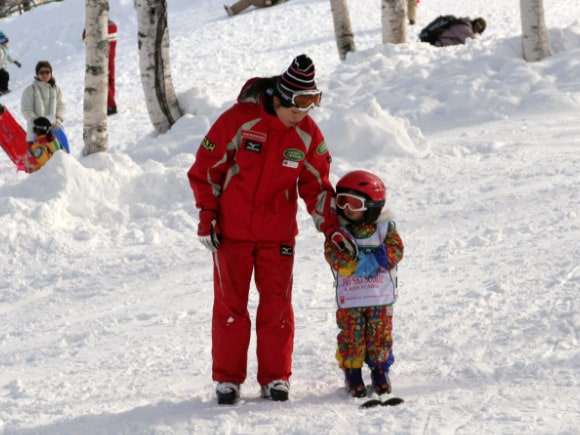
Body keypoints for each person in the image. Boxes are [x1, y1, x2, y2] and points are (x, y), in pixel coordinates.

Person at [187, 54, 357, 405]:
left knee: (276, 305)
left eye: (308, 108)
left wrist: (332, 228)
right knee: (231, 305)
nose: (301, 116)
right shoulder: (239, 121)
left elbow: (318, 186)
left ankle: (276, 377)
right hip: (231, 232)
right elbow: (206, 169)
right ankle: (228, 379)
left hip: (277, 235)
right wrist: (208, 216)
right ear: (278, 98)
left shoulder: (307, 135)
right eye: (295, 108)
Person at [323, 170, 404, 398]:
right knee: (352, 335)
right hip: (352, 300)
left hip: (379, 297)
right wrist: (352, 264)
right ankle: (353, 374)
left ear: (372, 205)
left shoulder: (384, 228)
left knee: (380, 334)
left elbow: (396, 249)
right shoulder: (339, 231)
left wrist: (379, 259)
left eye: (354, 204)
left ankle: (380, 372)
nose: (347, 209)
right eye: (342, 202)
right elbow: (332, 253)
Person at [21, 61, 68, 152]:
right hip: (36, 132)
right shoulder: (30, 90)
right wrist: (37, 122)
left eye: (47, 72)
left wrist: (59, 119)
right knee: (39, 160)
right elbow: (26, 109)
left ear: (51, 73)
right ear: (37, 74)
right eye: (42, 72)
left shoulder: (56, 89)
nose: (45, 75)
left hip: (54, 129)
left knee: (59, 159)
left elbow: (61, 106)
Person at [82, 19, 118, 115]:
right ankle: (109, 102)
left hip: (101, 50)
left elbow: (85, 39)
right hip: (111, 45)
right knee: (110, 74)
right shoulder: (111, 23)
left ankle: (110, 105)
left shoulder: (92, 23)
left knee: (102, 76)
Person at [420, 15, 486, 47]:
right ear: (477, 27)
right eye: (478, 31)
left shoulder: (464, 23)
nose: (476, 33)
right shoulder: (467, 31)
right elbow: (473, 45)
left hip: (438, 41)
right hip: (438, 43)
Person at [0, 31, 22, 95]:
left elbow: (9, 58)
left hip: (2, 68)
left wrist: (16, 62)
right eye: (4, 42)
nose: (6, 43)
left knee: (4, 76)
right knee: (5, 75)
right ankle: (3, 89)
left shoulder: (5, 50)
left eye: (6, 42)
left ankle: (2, 89)